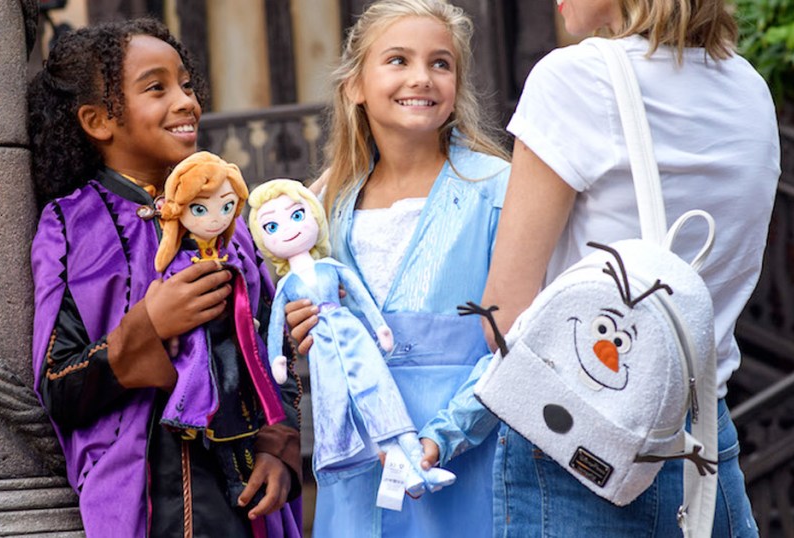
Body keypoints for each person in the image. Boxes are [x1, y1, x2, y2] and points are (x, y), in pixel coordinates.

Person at [432, 0, 779, 535]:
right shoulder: (750, 88)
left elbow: (502, 315)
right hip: (703, 437)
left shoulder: (576, 78)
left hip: (576, 442)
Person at [27, 19, 302, 537]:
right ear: (98, 120)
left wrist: (279, 447)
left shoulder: (230, 225)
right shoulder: (69, 226)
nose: (186, 102)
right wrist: (149, 324)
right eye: (157, 88)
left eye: (187, 84)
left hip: (245, 494)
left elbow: (275, 349)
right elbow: (58, 386)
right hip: (140, 501)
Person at [284, 0, 510, 536]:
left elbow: (518, 340)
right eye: (398, 60)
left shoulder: (497, 188)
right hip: (359, 464)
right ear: (355, 85)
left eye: (440, 63)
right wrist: (303, 325)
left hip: (467, 458)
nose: (422, 78)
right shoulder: (325, 208)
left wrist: (441, 437)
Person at [249, 179, 456, 507]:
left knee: (381, 397)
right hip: (326, 355)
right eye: (272, 225)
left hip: (353, 338)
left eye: (297, 215)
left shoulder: (332, 267)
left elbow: (359, 293)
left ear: (315, 216)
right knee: (350, 409)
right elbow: (276, 323)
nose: (288, 229)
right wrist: (277, 358)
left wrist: (379, 328)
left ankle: (420, 466)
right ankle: (407, 473)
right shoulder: (287, 284)